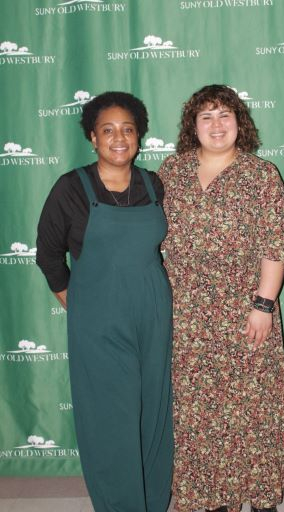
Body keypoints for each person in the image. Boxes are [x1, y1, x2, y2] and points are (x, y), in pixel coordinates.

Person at [158, 84, 284, 512]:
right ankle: (213, 500)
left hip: (245, 313)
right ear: (192, 126)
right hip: (186, 317)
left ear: (240, 123)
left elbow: (274, 246)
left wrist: (263, 305)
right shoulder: (171, 172)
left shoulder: (260, 175)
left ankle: (260, 501)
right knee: (199, 418)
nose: (216, 125)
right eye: (206, 116)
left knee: (251, 411)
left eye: (225, 115)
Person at [36, 92, 173, 512]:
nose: (119, 138)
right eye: (109, 130)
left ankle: (152, 501)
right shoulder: (71, 188)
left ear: (139, 136)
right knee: (110, 418)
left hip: (153, 312)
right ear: (92, 137)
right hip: (98, 317)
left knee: (154, 414)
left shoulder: (154, 183)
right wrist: (81, 304)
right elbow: (48, 254)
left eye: (128, 129)